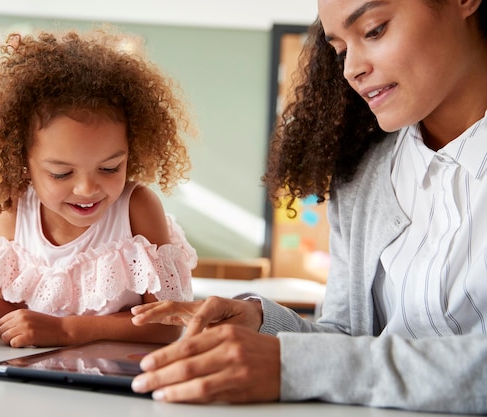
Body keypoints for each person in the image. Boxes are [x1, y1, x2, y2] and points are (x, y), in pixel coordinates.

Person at [129, 0, 487, 414]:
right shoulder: (364, 178)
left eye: (374, 30)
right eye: (339, 50)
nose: (352, 69)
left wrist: (294, 365)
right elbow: (348, 342)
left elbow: (340, 367)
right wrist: (260, 323)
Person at [0, 28, 197, 348]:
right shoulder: (15, 208)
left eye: (110, 168)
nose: (86, 188)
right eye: (61, 173)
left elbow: (167, 322)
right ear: (23, 161)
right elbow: (5, 305)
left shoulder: (136, 207)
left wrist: (67, 330)